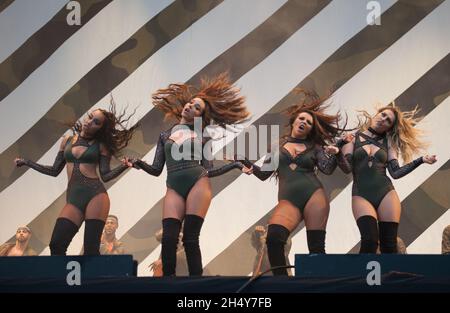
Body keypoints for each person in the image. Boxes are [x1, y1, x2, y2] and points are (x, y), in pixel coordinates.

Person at [130, 73, 250, 276]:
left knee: (190, 238)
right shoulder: (165, 135)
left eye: (197, 108)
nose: (190, 107)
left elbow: (209, 170)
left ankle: (196, 284)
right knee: (169, 238)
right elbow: (157, 169)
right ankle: (167, 283)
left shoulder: (203, 137)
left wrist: (236, 165)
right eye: (191, 103)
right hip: (173, 186)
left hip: (198, 183)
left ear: (200, 117)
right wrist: (138, 163)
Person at [239, 90, 345, 275]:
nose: (304, 122)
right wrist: (245, 163)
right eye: (302, 119)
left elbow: (327, 169)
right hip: (289, 201)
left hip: (314, 196)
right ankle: (283, 284)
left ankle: (319, 287)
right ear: (294, 121)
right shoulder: (276, 147)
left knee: (316, 248)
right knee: (273, 239)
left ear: (311, 129)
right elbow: (264, 174)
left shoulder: (316, 148)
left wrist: (336, 154)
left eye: (309, 122)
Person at [15, 100, 137, 255]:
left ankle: (92, 279)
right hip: (73, 200)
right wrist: (27, 162)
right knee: (56, 245)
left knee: (91, 250)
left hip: (96, 196)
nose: (89, 122)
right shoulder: (67, 140)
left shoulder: (100, 146)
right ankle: (63, 279)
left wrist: (125, 165)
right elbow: (54, 170)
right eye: (90, 117)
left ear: (100, 128)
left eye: (96, 122)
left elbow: (105, 176)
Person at [338, 104, 437, 253]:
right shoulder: (353, 138)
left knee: (389, 244)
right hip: (361, 194)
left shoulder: (389, 143)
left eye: (388, 120)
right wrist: (338, 151)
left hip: (386, 193)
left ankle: (390, 277)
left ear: (389, 128)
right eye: (382, 114)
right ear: (376, 114)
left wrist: (421, 160)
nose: (383, 119)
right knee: (369, 241)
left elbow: (396, 173)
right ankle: (360, 277)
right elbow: (347, 168)